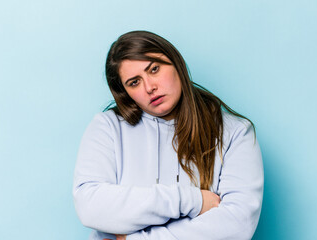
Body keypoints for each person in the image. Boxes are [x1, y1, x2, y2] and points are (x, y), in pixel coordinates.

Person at [73, 30, 264, 240]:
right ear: (124, 92)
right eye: (134, 82)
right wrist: (193, 200)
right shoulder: (108, 127)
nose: (150, 87)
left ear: (176, 63)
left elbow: (238, 224)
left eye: (154, 69)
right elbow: (90, 205)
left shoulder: (235, 132)